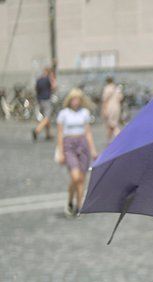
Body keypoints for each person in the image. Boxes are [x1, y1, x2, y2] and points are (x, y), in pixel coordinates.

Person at [55, 88, 97, 218]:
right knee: (75, 177)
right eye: (73, 98)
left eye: (78, 99)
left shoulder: (84, 113)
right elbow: (60, 134)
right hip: (69, 145)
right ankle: (70, 200)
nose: (75, 101)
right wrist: (61, 151)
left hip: (82, 144)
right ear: (69, 100)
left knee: (82, 178)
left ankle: (79, 206)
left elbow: (88, 133)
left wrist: (93, 149)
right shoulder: (63, 114)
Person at [32, 67, 56, 141]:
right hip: (47, 100)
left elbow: (36, 89)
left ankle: (48, 134)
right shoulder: (48, 79)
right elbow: (54, 87)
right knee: (47, 118)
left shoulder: (39, 80)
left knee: (45, 117)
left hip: (40, 100)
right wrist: (53, 79)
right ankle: (37, 130)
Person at [101, 76, 123, 142]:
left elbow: (105, 100)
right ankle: (109, 140)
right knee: (112, 124)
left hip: (109, 107)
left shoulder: (107, 88)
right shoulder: (117, 88)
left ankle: (119, 138)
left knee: (111, 125)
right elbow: (121, 98)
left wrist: (104, 109)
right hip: (117, 107)